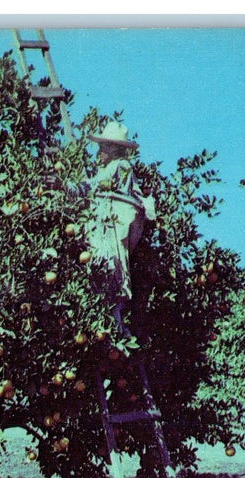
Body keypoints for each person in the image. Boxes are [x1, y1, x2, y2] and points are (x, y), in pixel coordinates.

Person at [70, 121, 156, 329]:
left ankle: (113, 322)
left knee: (112, 267)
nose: (99, 151)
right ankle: (111, 318)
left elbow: (95, 184)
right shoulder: (115, 167)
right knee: (110, 269)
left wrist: (71, 188)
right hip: (113, 220)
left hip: (115, 223)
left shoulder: (120, 166)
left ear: (115, 149)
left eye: (104, 147)